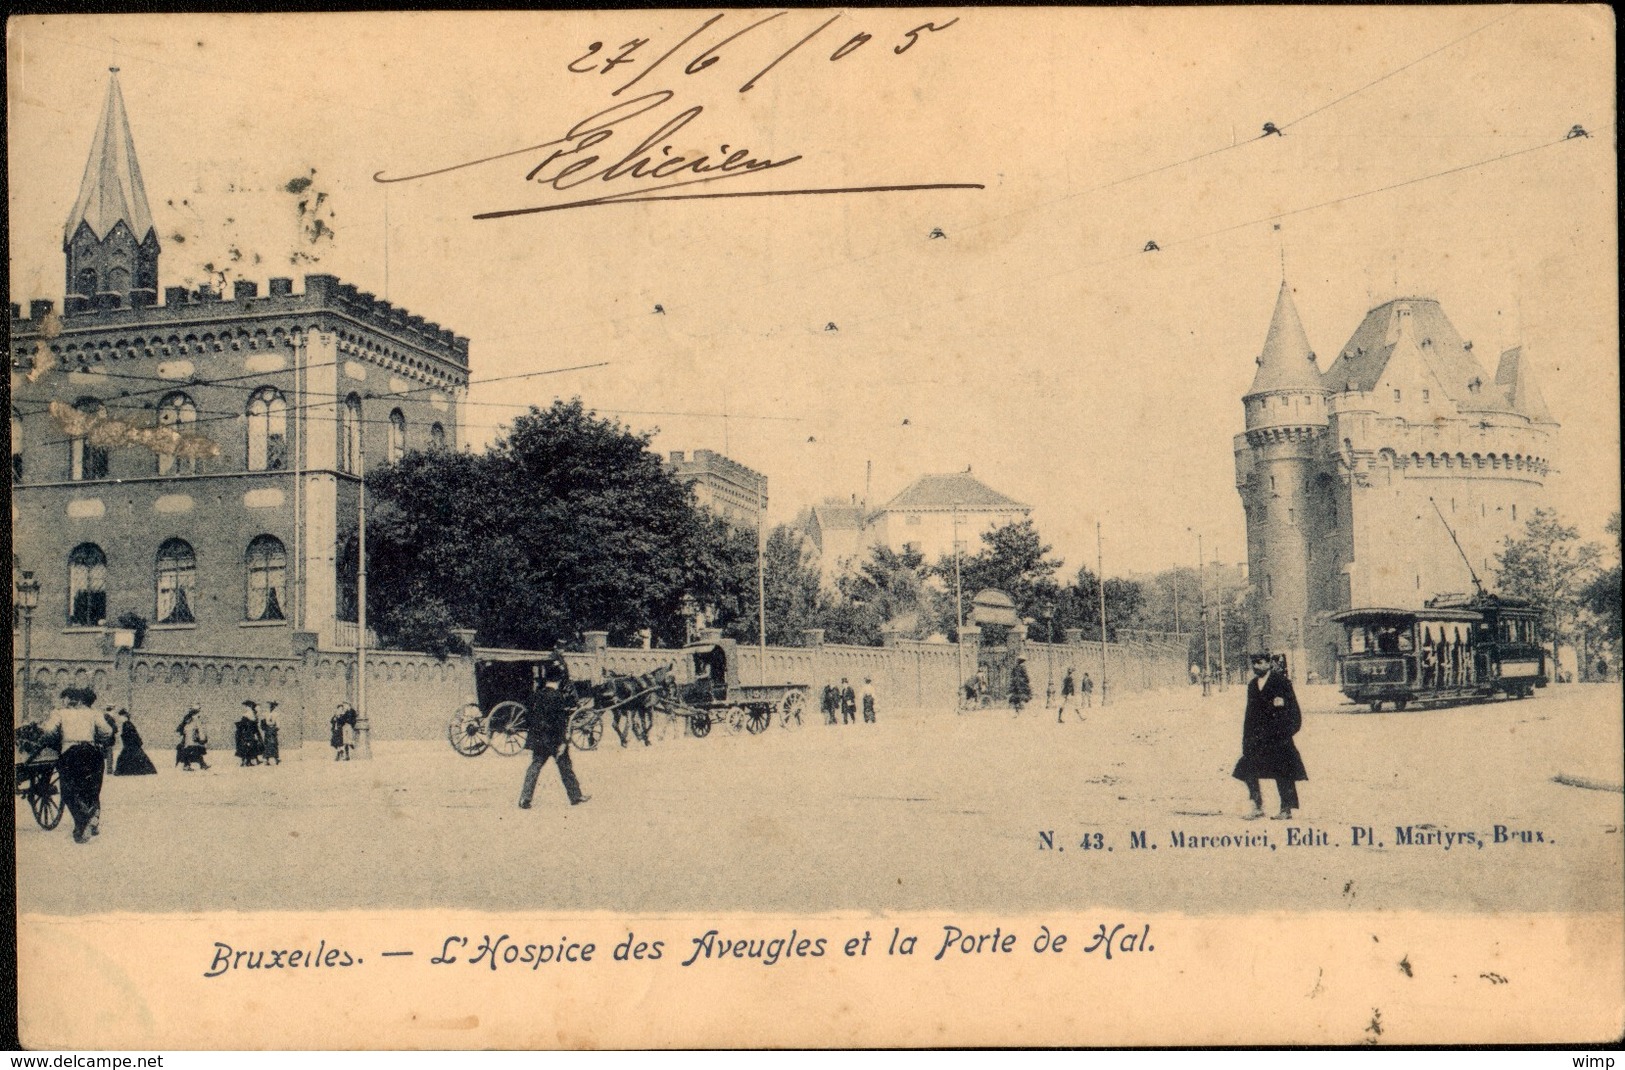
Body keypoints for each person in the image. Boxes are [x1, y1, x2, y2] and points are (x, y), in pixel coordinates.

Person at [1233, 652, 1308, 820]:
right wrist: (1247, 738)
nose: (1255, 666)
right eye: (1253, 663)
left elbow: (1294, 711)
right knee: (1246, 769)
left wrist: (1286, 732)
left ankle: (1286, 809)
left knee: (1283, 772)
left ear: (1268, 663)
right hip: (1257, 738)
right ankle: (1257, 805)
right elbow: (1249, 714)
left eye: (1259, 662)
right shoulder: (1253, 685)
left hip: (1278, 738)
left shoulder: (1281, 682)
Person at [40, 688, 118, 843]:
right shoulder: (94, 713)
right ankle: (91, 816)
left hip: (71, 753)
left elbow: (48, 731)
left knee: (68, 793)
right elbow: (107, 732)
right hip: (92, 752)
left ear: (75, 700)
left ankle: (83, 820)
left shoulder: (60, 713)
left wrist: (57, 737)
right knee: (92, 790)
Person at [519, 662, 588, 809]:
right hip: (554, 740)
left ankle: (525, 798)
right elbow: (560, 722)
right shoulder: (558, 697)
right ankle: (575, 796)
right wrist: (563, 741)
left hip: (539, 739)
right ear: (559, 680)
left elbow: (527, 717)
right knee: (565, 766)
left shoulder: (536, 695)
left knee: (535, 766)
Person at [113, 709, 158, 776]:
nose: (119, 718)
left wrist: (128, 742)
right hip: (132, 745)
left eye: (120, 717)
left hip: (130, 745)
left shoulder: (127, 724)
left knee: (125, 758)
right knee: (137, 758)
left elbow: (130, 735)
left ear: (124, 716)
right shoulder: (128, 724)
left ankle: (125, 771)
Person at [176, 706, 210, 771]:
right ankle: (200, 765)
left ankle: (201, 765)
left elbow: (184, 728)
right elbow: (197, 729)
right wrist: (202, 738)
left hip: (190, 740)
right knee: (192, 752)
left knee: (192, 752)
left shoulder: (189, 718)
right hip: (192, 740)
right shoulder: (193, 719)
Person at [235, 701, 264, 766]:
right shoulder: (252, 714)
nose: (245, 707)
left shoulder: (247, 714)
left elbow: (244, 724)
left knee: (247, 746)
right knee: (251, 745)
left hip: (246, 732)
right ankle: (248, 761)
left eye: (246, 706)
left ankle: (246, 762)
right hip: (251, 732)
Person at [260, 701, 281, 765]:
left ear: (274, 706)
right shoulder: (265, 714)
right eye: (270, 705)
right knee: (266, 744)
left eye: (272, 706)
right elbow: (262, 723)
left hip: (273, 731)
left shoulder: (276, 714)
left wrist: (275, 729)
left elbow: (278, 724)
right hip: (267, 731)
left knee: (273, 744)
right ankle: (266, 759)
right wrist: (265, 728)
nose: (271, 707)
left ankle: (275, 759)